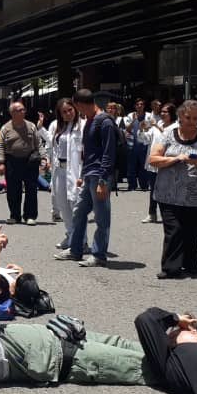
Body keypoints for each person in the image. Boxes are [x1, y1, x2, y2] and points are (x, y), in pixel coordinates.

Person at [0, 227, 149, 386]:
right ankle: (183, 367)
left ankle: (173, 349)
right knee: (140, 365)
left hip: (60, 336)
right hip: (67, 358)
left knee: (132, 345)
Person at [147, 101, 197, 279]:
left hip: (196, 194)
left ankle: (189, 264)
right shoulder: (167, 134)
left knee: (192, 231)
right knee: (173, 230)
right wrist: (176, 158)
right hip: (168, 193)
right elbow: (153, 159)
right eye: (188, 117)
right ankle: (170, 268)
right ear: (180, 116)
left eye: (196, 118)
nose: (191, 121)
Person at [54, 89, 116, 267]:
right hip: (88, 174)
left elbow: (108, 153)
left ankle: (99, 255)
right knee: (79, 212)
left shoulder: (104, 122)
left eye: (76, 107)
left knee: (102, 217)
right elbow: (87, 152)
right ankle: (75, 250)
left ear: (80, 104)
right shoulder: (89, 121)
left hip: (99, 175)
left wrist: (103, 181)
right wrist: (82, 175)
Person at [0, 101, 42, 225]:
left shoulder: (31, 126)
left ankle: (30, 215)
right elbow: (0, 145)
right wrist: (0, 162)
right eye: (20, 110)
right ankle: (14, 215)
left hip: (30, 160)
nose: (23, 111)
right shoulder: (6, 128)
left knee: (31, 188)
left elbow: (38, 143)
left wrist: (43, 158)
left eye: (23, 109)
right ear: (12, 113)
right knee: (12, 189)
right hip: (12, 160)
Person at [48, 98, 83, 247]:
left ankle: (81, 240)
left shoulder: (82, 126)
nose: (68, 113)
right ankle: (70, 235)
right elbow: (52, 145)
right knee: (62, 204)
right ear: (60, 114)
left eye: (70, 110)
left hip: (74, 169)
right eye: (64, 112)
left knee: (75, 205)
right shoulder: (58, 127)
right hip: (59, 169)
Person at [139, 103, 176, 224]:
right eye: (162, 112)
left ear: (172, 114)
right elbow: (146, 139)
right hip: (154, 162)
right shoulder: (158, 124)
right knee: (153, 189)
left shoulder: (176, 126)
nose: (163, 114)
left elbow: (169, 138)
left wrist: (156, 126)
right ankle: (152, 214)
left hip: (168, 162)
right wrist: (142, 129)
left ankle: (171, 215)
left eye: (166, 112)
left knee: (169, 189)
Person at [123, 98, 152, 191]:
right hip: (132, 144)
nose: (139, 106)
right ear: (135, 106)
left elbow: (151, 129)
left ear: (144, 106)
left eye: (141, 104)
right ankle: (132, 185)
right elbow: (127, 129)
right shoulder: (130, 115)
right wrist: (134, 120)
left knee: (144, 166)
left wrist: (145, 127)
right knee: (131, 166)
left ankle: (144, 185)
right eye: (138, 104)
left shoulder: (148, 115)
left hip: (144, 144)